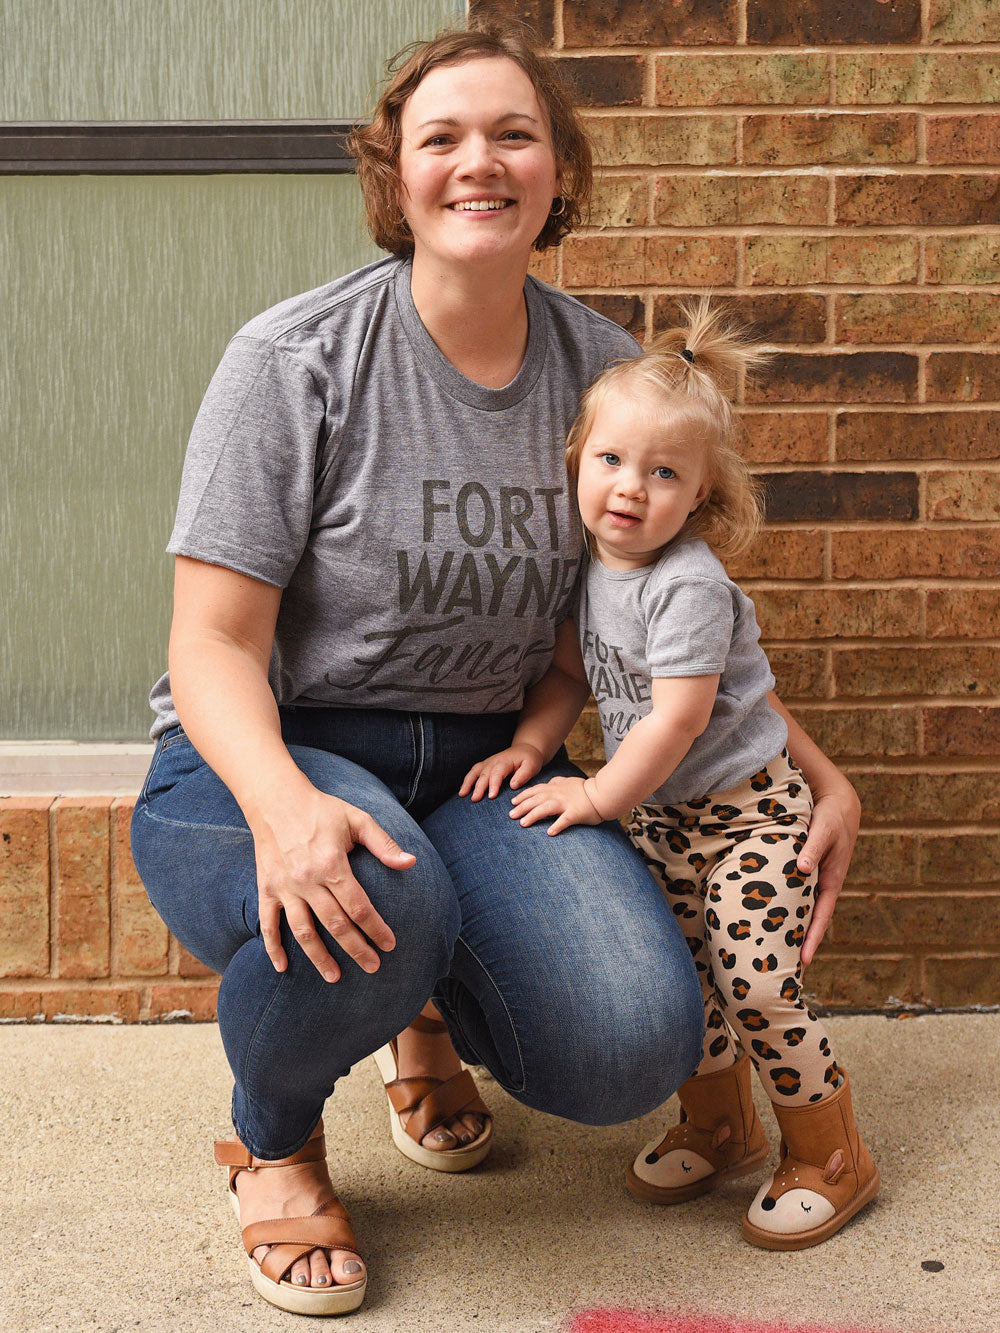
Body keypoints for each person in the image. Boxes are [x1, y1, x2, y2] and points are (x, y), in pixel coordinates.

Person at [130, 20, 859, 1316]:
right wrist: (287, 812)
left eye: (514, 132)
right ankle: (276, 1141)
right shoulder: (295, 362)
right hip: (268, 750)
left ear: (559, 172)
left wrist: (816, 772)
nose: (481, 160)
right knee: (375, 905)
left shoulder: (602, 376)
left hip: (486, 760)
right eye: (443, 137)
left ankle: (417, 1015)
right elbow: (212, 644)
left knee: (632, 1035)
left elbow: (677, 615)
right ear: (394, 174)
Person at [461, 299, 879, 1250]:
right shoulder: (589, 570)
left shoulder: (686, 582)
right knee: (684, 979)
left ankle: (830, 1151)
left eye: (663, 474)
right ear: (577, 460)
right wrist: (533, 745)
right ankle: (719, 1125)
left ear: (698, 497)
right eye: (611, 461)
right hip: (668, 821)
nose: (630, 488)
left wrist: (597, 793)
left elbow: (679, 716)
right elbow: (572, 674)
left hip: (751, 816)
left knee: (756, 978)